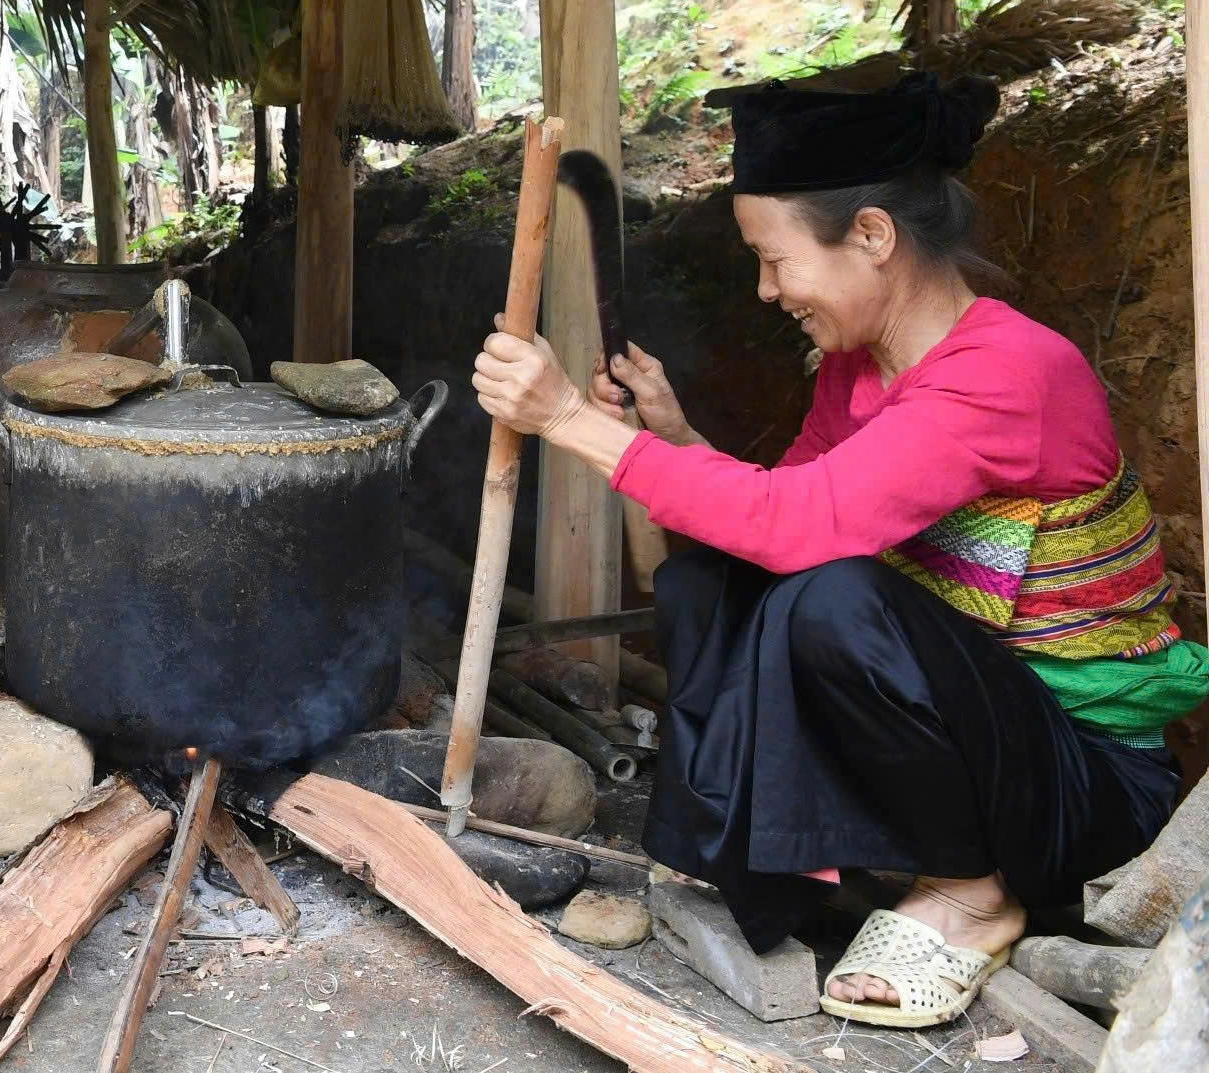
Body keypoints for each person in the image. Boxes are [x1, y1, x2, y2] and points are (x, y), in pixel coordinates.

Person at [472, 74, 1205, 1031]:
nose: (767, 290)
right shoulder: (861, 368)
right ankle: (772, 853)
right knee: (708, 579)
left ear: (871, 235)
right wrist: (677, 439)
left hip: (1086, 779)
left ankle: (975, 892)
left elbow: (805, 527)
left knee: (835, 603)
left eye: (774, 260)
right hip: (989, 744)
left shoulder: (1010, 373)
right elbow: (780, 521)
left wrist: (571, 419)